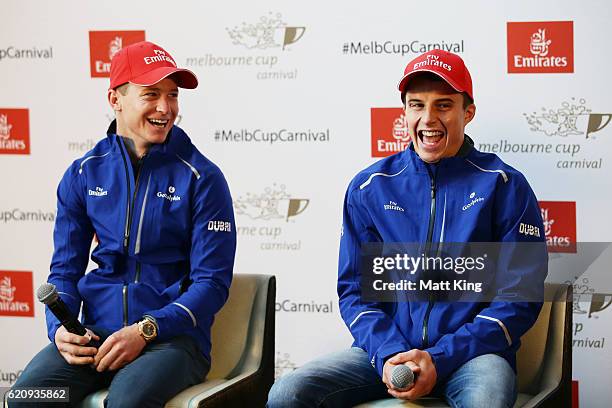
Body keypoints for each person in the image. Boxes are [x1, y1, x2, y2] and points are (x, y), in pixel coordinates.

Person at [267, 49, 547, 407]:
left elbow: (518, 299)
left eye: (444, 105)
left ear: (468, 112)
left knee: (487, 401)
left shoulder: (505, 185)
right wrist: (392, 354)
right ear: (405, 112)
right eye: (417, 105)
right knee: (287, 394)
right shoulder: (370, 187)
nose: (428, 118)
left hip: (473, 357)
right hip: (389, 355)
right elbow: (355, 293)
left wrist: (441, 357)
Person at [10, 41, 236, 407]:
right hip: (95, 338)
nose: (166, 108)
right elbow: (64, 272)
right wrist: (59, 332)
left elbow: (212, 284)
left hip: (172, 341)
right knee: (28, 398)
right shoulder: (83, 173)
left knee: (125, 403)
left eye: (172, 95)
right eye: (151, 94)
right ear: (115, 99)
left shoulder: (203, 178)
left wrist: (147, 329)